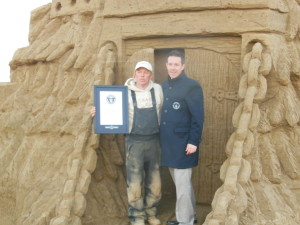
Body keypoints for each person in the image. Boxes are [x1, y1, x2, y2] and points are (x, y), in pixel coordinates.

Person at [91, 61, 163, 225]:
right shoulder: (124, 92)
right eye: (139, 72)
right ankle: (136, 216)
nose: (142, 75)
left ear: (150, 75)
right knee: (135, 182)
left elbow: (164, 111)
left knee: (155, 182)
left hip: (154, 141)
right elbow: (111, 107)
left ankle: (151, 213)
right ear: (134, 74)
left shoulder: (158, 90)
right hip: (134, 141)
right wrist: (98, 111)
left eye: (146, 72)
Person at [160, 50, 204, 225]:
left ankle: (185, 222)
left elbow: (197, 117)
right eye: (170, 64)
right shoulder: (163, 85)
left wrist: (194, 141)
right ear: (166, 65)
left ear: (183, 66)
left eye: (176, 64)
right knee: (183, 184)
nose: (172, 67)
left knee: (182, 186)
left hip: (184, 144)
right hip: (168, 144)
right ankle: (190, 216)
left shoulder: (192, 86)